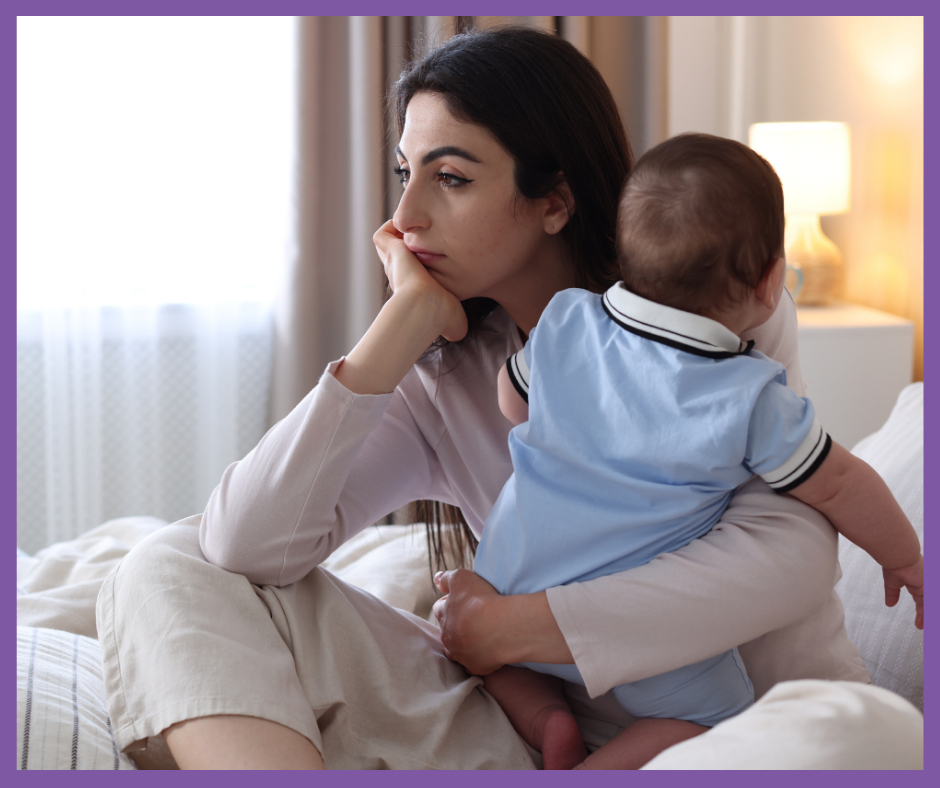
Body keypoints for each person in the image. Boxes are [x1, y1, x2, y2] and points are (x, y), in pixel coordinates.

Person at [97, 27, 889, 770]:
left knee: (871, 738)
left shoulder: (710, 314)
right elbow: (245, 546)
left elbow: (789, 556)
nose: (404, 221)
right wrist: (393, 332)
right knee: (167, 564)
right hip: (528, 725)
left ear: (555, 200)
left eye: (451, 178)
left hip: (739, 724)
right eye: (406, 175)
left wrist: (517, 627)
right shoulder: (437, 372)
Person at [473, 133, 925, 770]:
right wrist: (904, 556)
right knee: (704, 718)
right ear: (772, 281)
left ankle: (546, 718)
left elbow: (512, 403)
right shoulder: (749, 393)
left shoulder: (567, 318)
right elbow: (841, 483)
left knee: (499, 662)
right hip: (618, 611)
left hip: (509, 576)